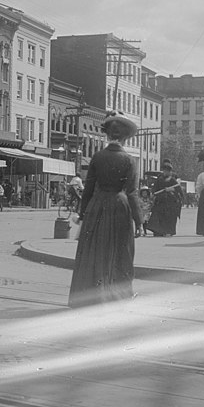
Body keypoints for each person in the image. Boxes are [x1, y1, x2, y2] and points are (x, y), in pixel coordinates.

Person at [68, 111, 143, 308]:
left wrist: (83, 213)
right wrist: (139, 220)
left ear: (107, 135)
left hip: (97, 207)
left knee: (94, 250)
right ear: (126, 137)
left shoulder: (97, 157)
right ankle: (119, 295)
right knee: (121, 251)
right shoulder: (129, 161)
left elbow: (88, 189)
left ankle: (89, 296)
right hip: (120, 206)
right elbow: (133, 192)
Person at [145, 161, 183, 237]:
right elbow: (155, 189)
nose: (165, 172)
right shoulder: (159, 180)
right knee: (158, 215)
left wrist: (172, 190)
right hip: (161, 200)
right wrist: (154, 193)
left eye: (167, 171)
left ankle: (168, 230)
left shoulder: (173, 180)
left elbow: (180, 192)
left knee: (169, 217)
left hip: (170, 201)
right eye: (164, 170)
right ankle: (158, 231)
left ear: (170, 171)